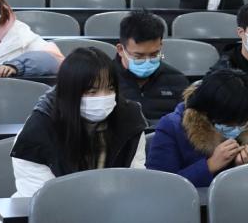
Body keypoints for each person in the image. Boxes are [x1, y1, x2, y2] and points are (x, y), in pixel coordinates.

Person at [11, 48, 148, 196]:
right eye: (92, 92)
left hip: (114, 205)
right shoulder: (37, 133)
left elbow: (135, 180)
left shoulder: (130, 122)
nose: (103, 97)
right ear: (69, 92)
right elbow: (42, 198)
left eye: (110, 89)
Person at [146, 69, 248, 187]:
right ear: (206, 113)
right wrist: (209, 165)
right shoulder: (172, 127)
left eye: (242, 123)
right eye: (228, 125)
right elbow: (160, 186)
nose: (236, 129)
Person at [113, 10, 190, 120]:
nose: (147, 61)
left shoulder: (177, 81)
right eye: (138, 56)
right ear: (120, 49)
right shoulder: (104, 79)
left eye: (154, 54)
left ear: (161, 45)